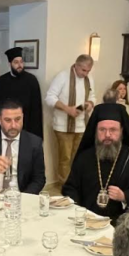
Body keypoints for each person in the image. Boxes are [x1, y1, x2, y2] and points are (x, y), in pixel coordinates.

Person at [62, 103, 129, 223]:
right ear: (95, 131)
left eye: (113, 129)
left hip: (121, 224)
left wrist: (124, 196)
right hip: (86, 220)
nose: (107, 135)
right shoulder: (84, 157)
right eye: (102, 129)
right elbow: (70, 188)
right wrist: (78, 211)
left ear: (121, 130)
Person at [45, 54, 96, 182]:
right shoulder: (62, 76)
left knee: (79, 157)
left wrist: (90, 104)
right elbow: (49, 97)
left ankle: (75, 184)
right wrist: (67, 109)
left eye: (88, 71)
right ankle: (65, 186)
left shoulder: (89, 78)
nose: (85, 74)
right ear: (76, 65)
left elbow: (92, 96)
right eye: (83, 70)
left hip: (81, 125)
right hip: (63, 125)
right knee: (65, 158)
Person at [0, 47, 43, 140]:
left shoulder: (31, 80)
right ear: (10, 64)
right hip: (6, 127)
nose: (20, 65)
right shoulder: (2, 81)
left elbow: (36, 110)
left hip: (27, 127)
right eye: (16, 62)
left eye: (21, 62)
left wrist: (36, 136)